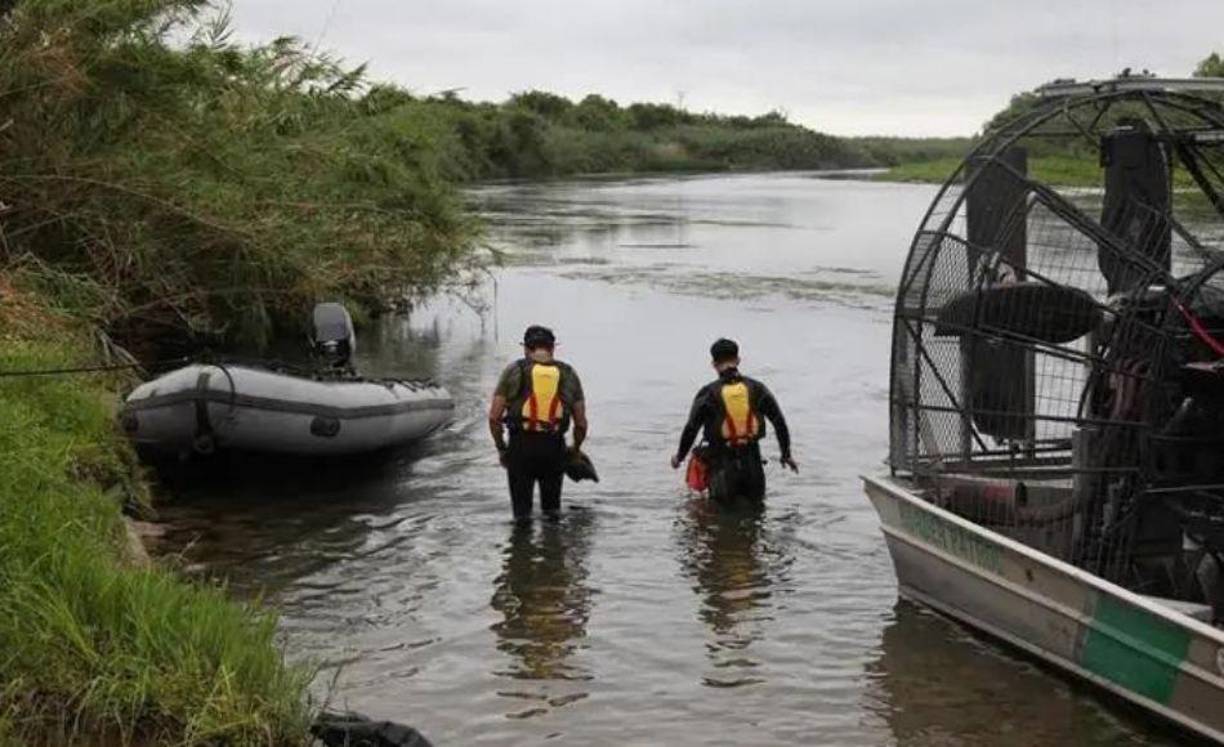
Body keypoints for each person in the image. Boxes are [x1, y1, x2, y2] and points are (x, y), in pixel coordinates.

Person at [670, 338, 796, 504]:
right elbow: (779, 422)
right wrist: (786, 454)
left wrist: (679, 457)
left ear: (714, 364)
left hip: (722, 467)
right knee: (756, 514)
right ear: (737, 360)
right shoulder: (757, 389)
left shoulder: (708, 393)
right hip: (753, 465)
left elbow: (691, 428)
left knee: (722, 518)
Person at [489, 325, 588, 521]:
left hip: (520, 448)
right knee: (552, 515)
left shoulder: (513, 371)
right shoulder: (568, 373)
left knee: (521, 517)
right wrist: (575, 450)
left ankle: (521, 548)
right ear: (552, 348)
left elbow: (494, 418)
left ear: (526, 348)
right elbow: (581, 423)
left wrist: (502, 449)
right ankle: (552, 548)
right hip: (554, 448)